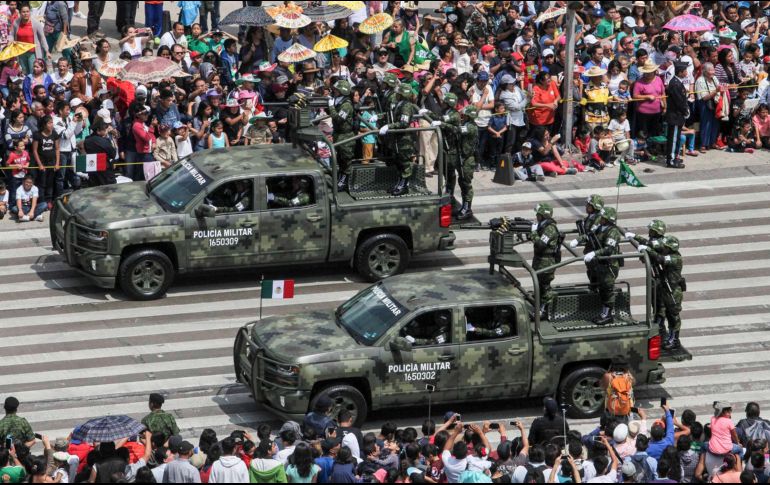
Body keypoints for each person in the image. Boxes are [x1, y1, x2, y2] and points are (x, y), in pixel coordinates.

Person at [642, 235, 685, 350]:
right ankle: (669, 336)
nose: (663, 248)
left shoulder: (675, 258)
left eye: (666, 247)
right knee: (666, 313)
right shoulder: (669, 254)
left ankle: (674, 339)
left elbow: (660, 259)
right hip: (667, 290)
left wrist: (648, 250)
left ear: (671, 248)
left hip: (673, 292)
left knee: (673, 316)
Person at [584, 207, 623, 325]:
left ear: (607, 219)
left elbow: (609, 249)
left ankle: (607, 314)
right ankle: (603, 312)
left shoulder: (613, 232)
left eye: (603, 217)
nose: (600, 219)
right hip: (601, 265)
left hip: (609, 266)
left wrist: (594, 253)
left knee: (607, 289)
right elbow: (589, 235)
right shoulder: (600, 227)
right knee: (601, 288)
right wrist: (578, 240)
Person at [379, 83, 418, 196]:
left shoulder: (406, 105)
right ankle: (400, 183)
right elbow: (390, 115)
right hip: (397, 139)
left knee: (405, 163)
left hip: (404, 140)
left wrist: (389, 126)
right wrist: (379, 117)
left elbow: (403, 123)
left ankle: (404, 185)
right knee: (399, 162)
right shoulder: (399, 104)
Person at [531, 203, 561, 319]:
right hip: (540, 261)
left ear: (544, 216)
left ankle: (543, 311)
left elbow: (541, 244)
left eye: (538, 214)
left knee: (545, 287)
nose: (536, 216)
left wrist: (533, 233)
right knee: (539, 285)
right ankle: (539, 308)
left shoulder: (550, 229)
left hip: (546, 262)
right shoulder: (542, 226)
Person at [570, 195, 605, 292]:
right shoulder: (591, 217)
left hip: (596, 251)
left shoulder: (599, 218)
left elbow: (592, 232)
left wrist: (578, 240)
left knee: (597, 275)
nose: (586, 206)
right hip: (590, 249)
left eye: (589, 205)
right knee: (592, 273)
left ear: (595, 207)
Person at [328, 79, 356, 191]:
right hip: (338, 134)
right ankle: (340, 178)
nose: (334, 91)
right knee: (340, 159)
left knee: (346, 160)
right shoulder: (338, 101)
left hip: (346, 136)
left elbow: (338, 119)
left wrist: (330, 107)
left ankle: (344, 181)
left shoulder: (346, 105)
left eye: (336, 90)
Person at [664, 61, 689, 169]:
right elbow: (679, 101)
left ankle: (675, 156)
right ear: (680, 72)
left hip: (678, 116)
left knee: (677, 137)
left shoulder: (678, 82)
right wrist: (685, 111)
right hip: (674, 115)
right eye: (685, 71)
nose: (687, 72)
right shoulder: (675, 84)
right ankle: (671, 160)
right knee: (673, 139)